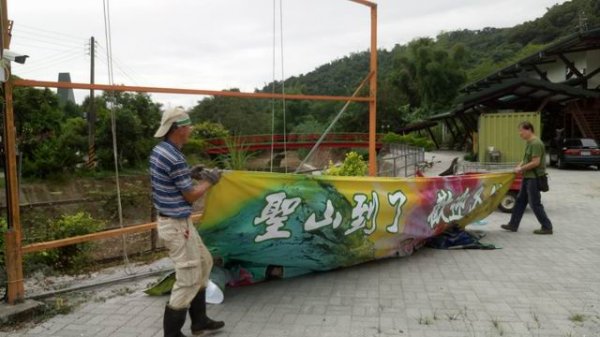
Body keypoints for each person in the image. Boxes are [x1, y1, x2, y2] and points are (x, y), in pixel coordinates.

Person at [149, 107, 224, 337]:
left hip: (179, 222)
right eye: (188, 126)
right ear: (178, 129)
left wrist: (189, 173)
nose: (190, 129)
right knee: (188, 279)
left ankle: (199, 321)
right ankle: (172, 334)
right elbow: (190, 195)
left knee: (204, 262)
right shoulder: (173, 156)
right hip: (176, 225)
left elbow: (171, 178)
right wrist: (211, 181)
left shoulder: (162, 150)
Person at [501, 121, 553, 235]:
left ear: (528, 129)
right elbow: (526, 159)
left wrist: (521, 169)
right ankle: (513, 225)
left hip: (533, 178)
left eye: (521, 131)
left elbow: (535, 162)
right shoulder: (529, 143)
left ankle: (547, 226)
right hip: (527, 177)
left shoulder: (535, 143)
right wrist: (519, 165)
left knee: (535, 203)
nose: (520, 134)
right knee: (520, 201)